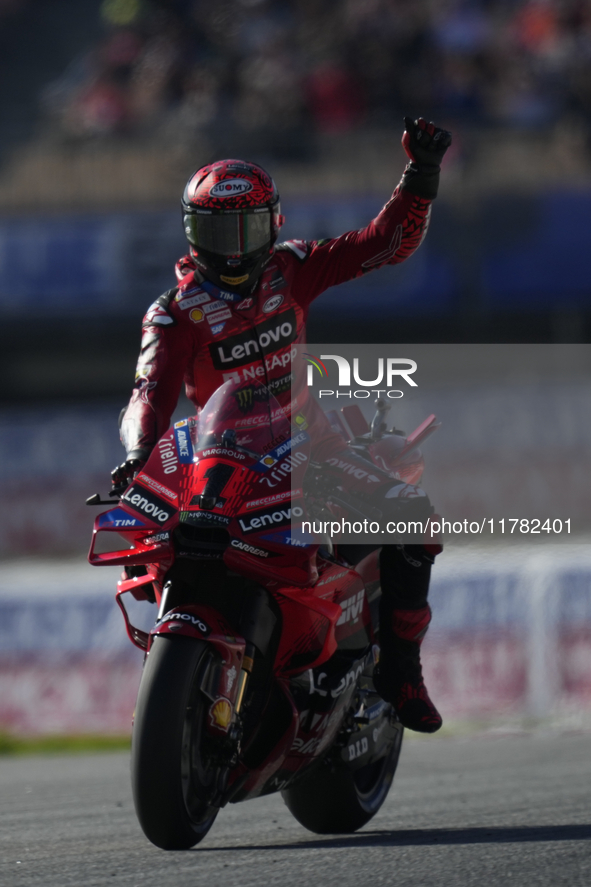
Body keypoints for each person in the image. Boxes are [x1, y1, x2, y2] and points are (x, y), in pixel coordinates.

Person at [112, 117, 452, 733]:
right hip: (221, 461)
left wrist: (419, 178)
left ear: (275, 224)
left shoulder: (293, 269)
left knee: (412, 512)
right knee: (162, 544)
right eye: (220, 230)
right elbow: (147, 395)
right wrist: (138, 456)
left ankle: (401, 669)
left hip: (312, 446)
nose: (236, 247)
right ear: (192, 233)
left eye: (249, 227)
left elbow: (384, 243)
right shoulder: (173, 314)